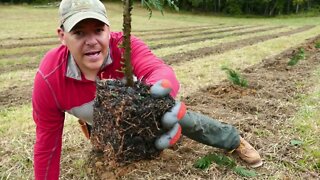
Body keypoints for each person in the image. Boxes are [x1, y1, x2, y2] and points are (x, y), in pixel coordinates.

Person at [31, 0, 263, 179]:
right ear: (62, 36)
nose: (91, 41)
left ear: (108, 30)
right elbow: (47, 142)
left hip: (144, 107)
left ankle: (232, 140)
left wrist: (154, 98)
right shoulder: (50, 79)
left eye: (98, 30)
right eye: (79, 32)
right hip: (100, 125)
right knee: (118, 152)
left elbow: (159, 69)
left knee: (181, 118)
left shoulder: (125, 46)